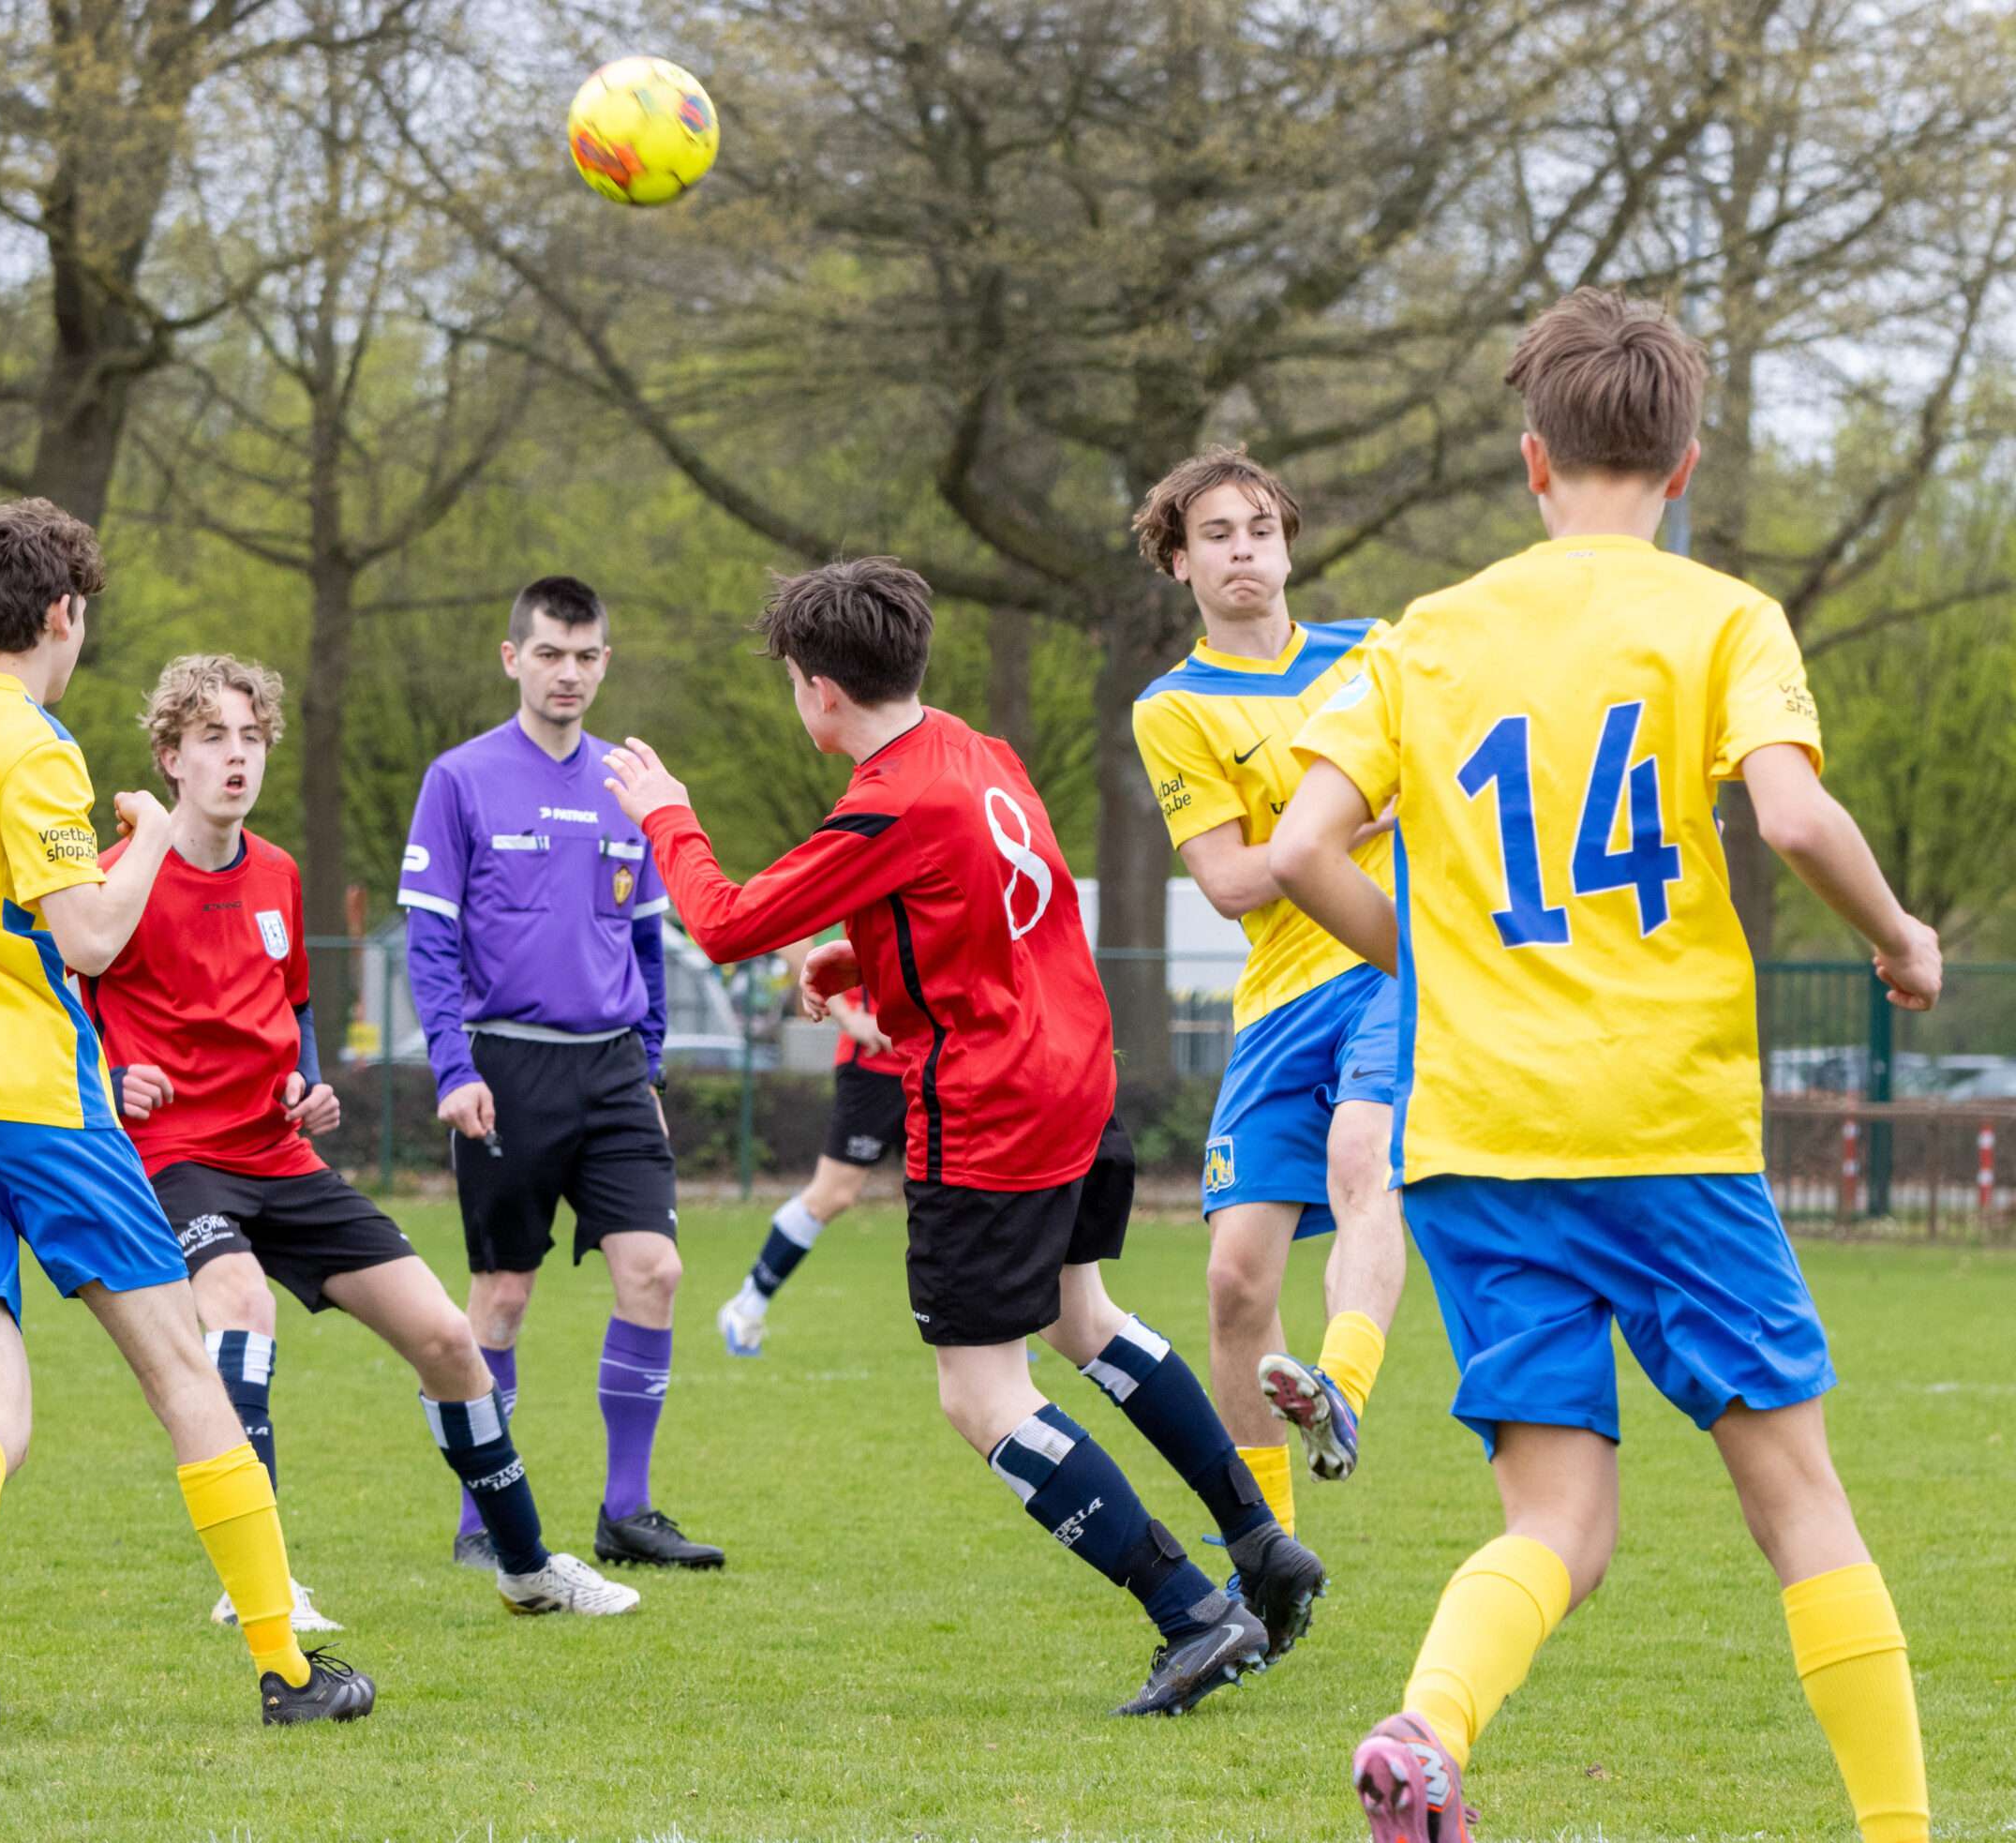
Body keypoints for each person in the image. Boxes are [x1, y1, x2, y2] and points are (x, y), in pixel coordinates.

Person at [1271, 287, 1937, 1843]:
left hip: (1478, 1138)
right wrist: (1901, 937)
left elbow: (1295, 849)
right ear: (1685, 466)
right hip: (1663, 1123)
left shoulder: (1427, 637)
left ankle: (1429, 1726)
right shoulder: (1722, 618)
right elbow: (1791, 815)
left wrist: (1435, 958)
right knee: (1799, 1498)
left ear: (1533, 460)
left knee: (1558, 1518)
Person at [602, 556, 1327, 1715]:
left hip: (991, 1112)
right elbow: (1004, 906)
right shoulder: (978, 753)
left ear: (817, 689)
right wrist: (864, 956)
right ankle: (1259, 1540)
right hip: (1078, 1075)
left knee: (980, 1393)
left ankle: (1191, 1611)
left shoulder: (889, 798)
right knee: (1084, 1319)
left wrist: (664, 814)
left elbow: (727, 922)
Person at [0, 500, 375, 1734]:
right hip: (36, 1103)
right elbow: (91, 933)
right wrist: (146, 837)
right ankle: (287, 1668)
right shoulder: (32, 739)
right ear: (62, 613)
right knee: (185, 1373)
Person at [78, 653, 638, 1625]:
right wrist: (104, 1077)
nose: (237, 757)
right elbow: (54, 1008)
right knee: (242, 1305)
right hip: (175, 1157)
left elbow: (292, 1007)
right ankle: (257, 1586)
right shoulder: (113, 880)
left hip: (279, 1156)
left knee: (448, 1337)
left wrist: (307, 1082)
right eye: (212, 738)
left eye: (251, 737)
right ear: (170, 757)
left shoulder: (280, 874)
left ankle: (525, 1566)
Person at [400, 576, 722, 1570]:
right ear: (513, 659)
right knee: (501, 1296)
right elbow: (429, 941)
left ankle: (627, 1511)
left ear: (605, 663)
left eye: (585, 656)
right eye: (549, 653)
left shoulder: (629, 783)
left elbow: (649, 942)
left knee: (656, 1271)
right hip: (505, 1068)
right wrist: (452, 1067)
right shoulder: (459, 779)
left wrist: (651, 1070)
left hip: (615, 1069)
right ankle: (483, 1522)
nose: (568, 673)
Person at [1130, 446, 1407, 1546]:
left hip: (1389, 962)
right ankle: (1266, 1547)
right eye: (1216, 535)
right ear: (1179, 563)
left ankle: (1341, 1383)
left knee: (1361, 1157)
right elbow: (1235, 881)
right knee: (1235, 1281)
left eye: (1259, 529)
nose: (1242, 550)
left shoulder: (1375, 654)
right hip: (1281, 999)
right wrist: (1355, 819)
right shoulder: (1174, 707)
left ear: (1287, 546)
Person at [715, 975, 909, 1356]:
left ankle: (992, 1336)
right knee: (832, 1195)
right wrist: (849, 1017)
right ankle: (748, 1304)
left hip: (941, 1066)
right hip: (874, 1067)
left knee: (959, 1195)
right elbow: (810, 958)